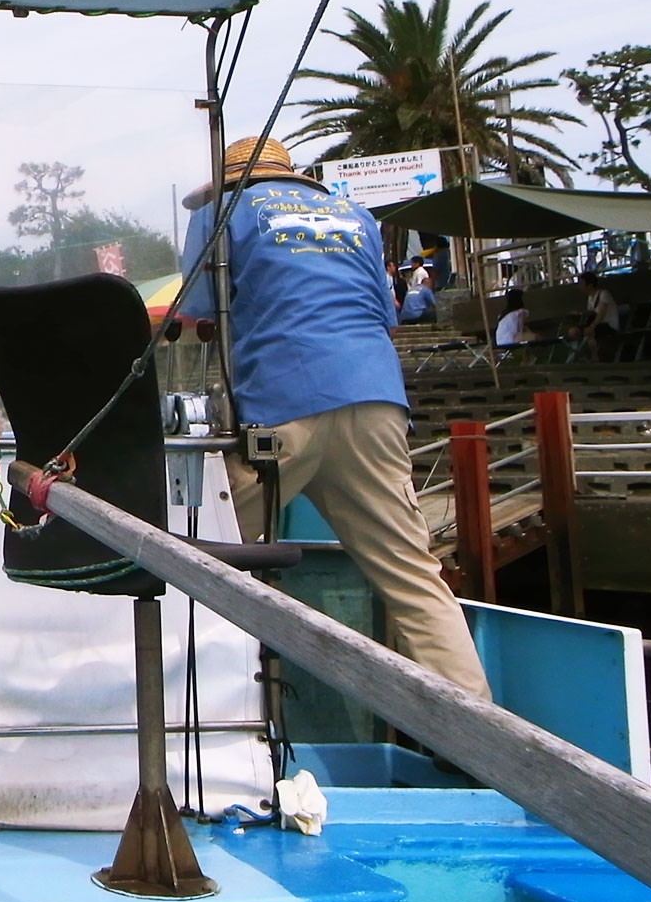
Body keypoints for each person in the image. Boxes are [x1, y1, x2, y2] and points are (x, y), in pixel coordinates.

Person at [181, 136, 490, 699]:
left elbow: (198, 311)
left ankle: (185, 711)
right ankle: (478, 735)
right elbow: (386, 315)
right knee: (412, 575)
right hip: (375, 399)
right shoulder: (357, 216)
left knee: (189, 552)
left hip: (280, 408)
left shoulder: (220, 215)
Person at [576, 271, 621, 361]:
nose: (580, 286)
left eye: (582, 283)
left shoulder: (604, 294)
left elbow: (601, 314)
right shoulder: (590, 298)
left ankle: (595, 357)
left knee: (589, 331)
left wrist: (592, 326)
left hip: (609, 326)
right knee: (575, 331)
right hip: (598, 326)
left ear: (590, 285)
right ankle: (578, 354)